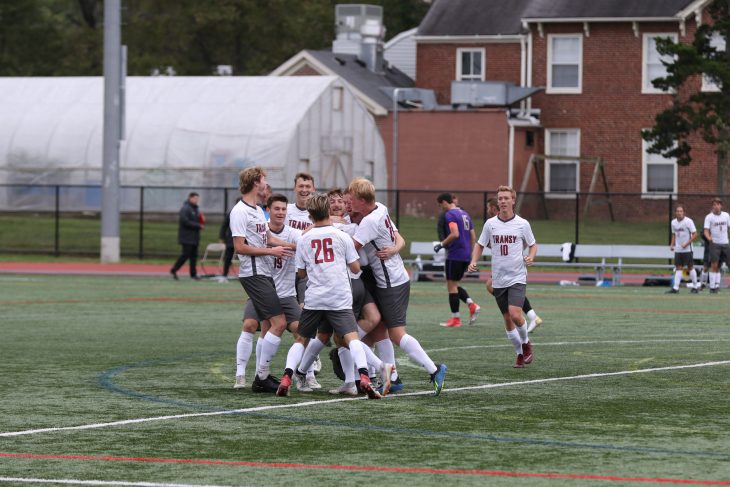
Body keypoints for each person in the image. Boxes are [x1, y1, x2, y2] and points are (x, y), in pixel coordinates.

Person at [276, 193, 391, 399]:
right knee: (352, 338)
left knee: (301, 339)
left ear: (310, 216)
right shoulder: (342, 236)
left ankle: (287, 376)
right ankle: (364, 376)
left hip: (315, 296)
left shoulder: (304, 238)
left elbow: (300, 273)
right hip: (339, 295)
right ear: (327, 211)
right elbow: (356, 267)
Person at [348, 177, 448, 396]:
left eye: (352, 198)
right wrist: (394, 249)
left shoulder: (369, 222)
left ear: (363, 200)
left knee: (396, 334)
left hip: (391, 282)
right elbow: (399, 237)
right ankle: (392, 378)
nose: (349, 202)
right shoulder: (380, 208)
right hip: (393, 277)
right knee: (381, 329)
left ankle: (434, 369)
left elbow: (350, 248)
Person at [230, 167, 297, 393]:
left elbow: (267, 238)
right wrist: (272, 252)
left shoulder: (258, 210)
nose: (266, 183)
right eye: (264, 180)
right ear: (255, 183)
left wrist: (292, 246)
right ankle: (261, 377)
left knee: (270, 324)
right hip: (254, 274)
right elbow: (239, 247)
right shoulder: (239, 211)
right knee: (278, 323)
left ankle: (260, 375)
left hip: (264, 274)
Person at [469, 186, 537, 368]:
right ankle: (519, 354)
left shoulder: (522, 223)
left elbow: (532, 244)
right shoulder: (490, 224)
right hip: (499, 278)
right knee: (507, 318)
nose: (503, 201)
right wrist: (473, 260)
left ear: (513, 201)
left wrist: (531, 256)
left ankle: (526, 344)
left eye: (507, 198)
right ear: (497, 202)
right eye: (500, 198)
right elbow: (479, 244)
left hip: (517, 276)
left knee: (515, 314)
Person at [484, 198, 543, 333]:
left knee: (491, 285)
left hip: (511, 267)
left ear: (494, 208)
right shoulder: (492, 224)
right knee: (490, 285)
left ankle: (530, 316)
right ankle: (532, 316)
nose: (488, 210)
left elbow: (529, 242)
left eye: (489, 207)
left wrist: (517, 250)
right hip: (502, 266)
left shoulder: (515, 223)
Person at [433, 193, 480, 327]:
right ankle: (471, 304)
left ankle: (456, 319)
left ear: (444, 202)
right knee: (454, 284)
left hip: (455, 254)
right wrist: (470, 253)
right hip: (465, 255)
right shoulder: (465, 214)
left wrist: (441, 244)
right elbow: (473, 236)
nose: (441, 208)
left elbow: (455, 234)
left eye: (440, 205)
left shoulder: (450, 215)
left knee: (451, 286)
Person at [170, 192, 204, 280]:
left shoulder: (195, 209)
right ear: (190, 198)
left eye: (198, 199)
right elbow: (185, 221)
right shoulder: (185, 208)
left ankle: (193, 274)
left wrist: (201, 221)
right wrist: (198, 225)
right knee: (185, 255)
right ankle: (174, 269)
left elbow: (196, 220)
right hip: (186, 237)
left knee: (194, 256)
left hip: (194, 237)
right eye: (195, 198)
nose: (197, 200)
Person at [667, 204, 698, 294]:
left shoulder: (688, 221)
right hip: (678, 249)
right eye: (678, 211)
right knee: (678, 268)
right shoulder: (673, 222)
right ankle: (675, 288)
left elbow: (695, 234)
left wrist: (687, 243)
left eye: (681, 211)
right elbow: (674, 234)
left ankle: (695, 287)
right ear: (675, 213)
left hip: (688, 249)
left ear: (684, 212)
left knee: (690, 267)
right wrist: (672, 244)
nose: (679, 213)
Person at [703, 197, 730, 294]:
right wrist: (709, 238)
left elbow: (728, 228)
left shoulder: (726, 215)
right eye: (714, 204)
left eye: (718, 204)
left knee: (727, 264)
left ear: (721, 206)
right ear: (712, 206)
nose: (716, 206)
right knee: (714, 265)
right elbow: (706, 230)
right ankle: (712, 287)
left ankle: (717, 285)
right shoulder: (709, 217)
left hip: (725, 243)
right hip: (715, 244)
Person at [219, 197, 240, 281]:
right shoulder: (231, 212)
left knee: (244, 258)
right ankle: (224, 275)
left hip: (244, 240)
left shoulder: (248, 213)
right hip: (231, 239)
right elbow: (224, 225)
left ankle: (244, 275)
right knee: (228, 257)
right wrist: (221, 237)